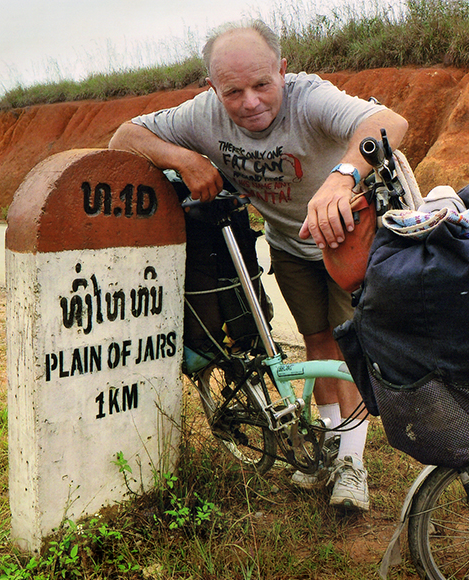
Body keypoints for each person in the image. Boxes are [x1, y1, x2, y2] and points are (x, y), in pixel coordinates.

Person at [108, 19, 408, 512]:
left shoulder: (310, 99)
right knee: (316, 341)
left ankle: (353, 464)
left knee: (348, 349)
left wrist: (342, 177)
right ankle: (329, 446)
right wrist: (184, 159)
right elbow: (125, 136)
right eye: (234, 91)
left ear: (283, 72)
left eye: (262, 84)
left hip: (348, 241)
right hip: (290, 245)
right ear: (213, 89)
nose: (250, 102)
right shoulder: (203, 115)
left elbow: (389, 124)